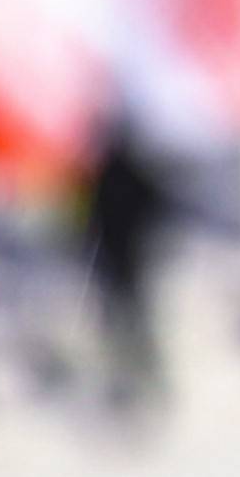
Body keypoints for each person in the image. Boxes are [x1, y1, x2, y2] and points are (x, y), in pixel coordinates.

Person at [76, 117, 175, 418]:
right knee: (125, 322)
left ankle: (141, 378)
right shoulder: (114, 174)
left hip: (122, 262)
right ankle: (132, 379)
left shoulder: (109, 175)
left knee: (127, 322)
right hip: (121, 262)